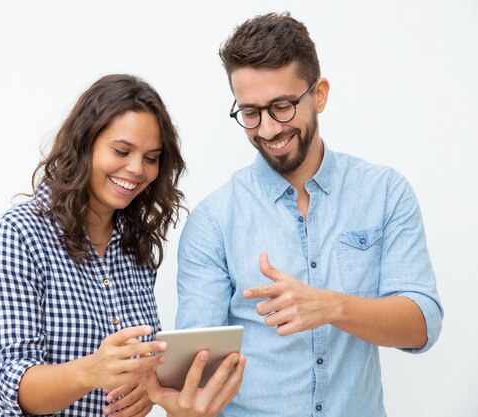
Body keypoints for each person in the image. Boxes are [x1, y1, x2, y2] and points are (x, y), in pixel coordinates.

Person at [175, 12, 443, 417]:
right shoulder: (213, 220)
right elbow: (195, 372)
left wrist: (331, 306)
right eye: (250, 113)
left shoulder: (385, 192)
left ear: (319, 94)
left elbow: (423, 325)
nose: (266, 130)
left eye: (281, 107)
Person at [0, 74, 245, 417]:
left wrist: (148, 389)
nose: (136, 169)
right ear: (84, 143)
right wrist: (92, 370)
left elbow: (134, 371)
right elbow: (11, 384)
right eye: (121, 151)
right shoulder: (18, 236)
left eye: (151, 157)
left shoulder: (134, 246)